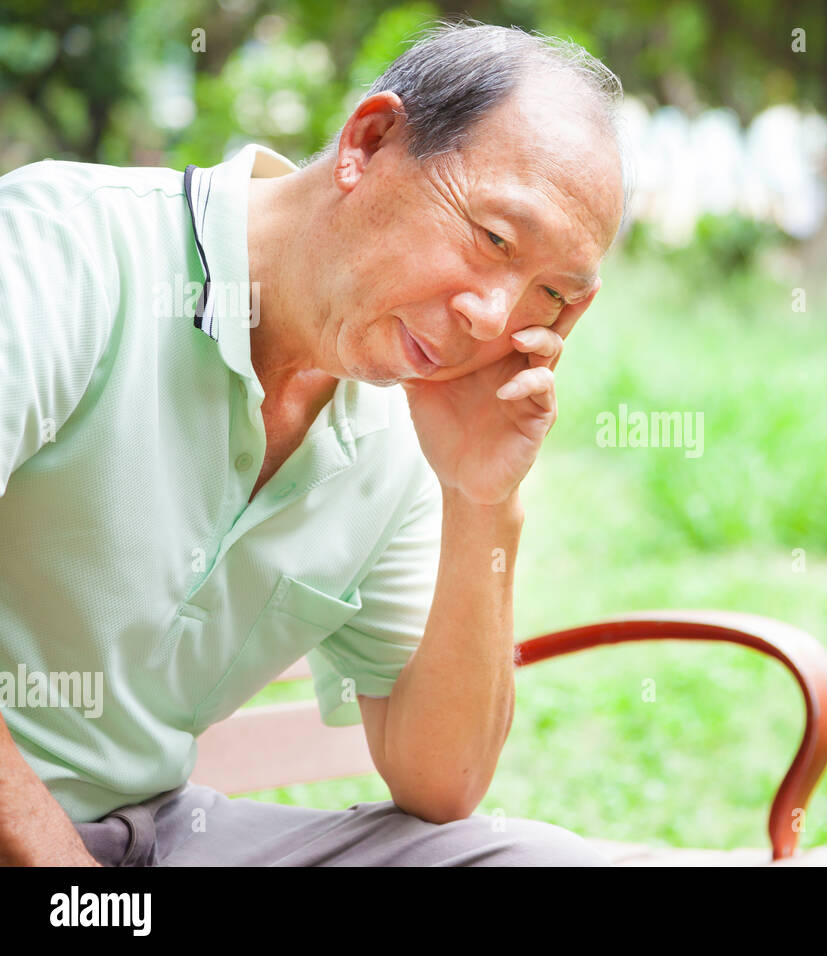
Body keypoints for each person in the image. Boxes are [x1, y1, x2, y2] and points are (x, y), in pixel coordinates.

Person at [0, 20, 626, 866]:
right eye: (494, 240)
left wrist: (483, 502)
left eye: (547, 293)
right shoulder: (61, 250)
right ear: (367, 144)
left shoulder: (406, 420)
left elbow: (439, 785)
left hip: (153, 837)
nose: (494, 316)